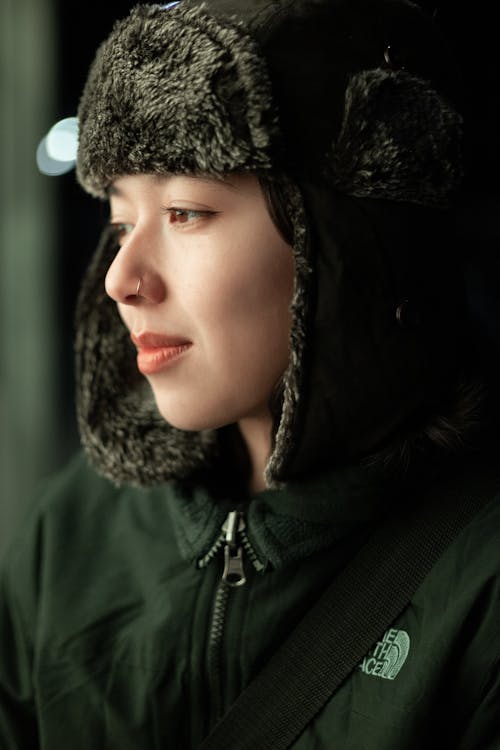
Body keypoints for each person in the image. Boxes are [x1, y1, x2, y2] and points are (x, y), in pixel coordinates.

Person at [1, 0, 499, 747]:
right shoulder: (68, 538)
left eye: (186, 213)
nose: (121, 279)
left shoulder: (480, 574)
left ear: (344, 241)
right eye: (119, 223)